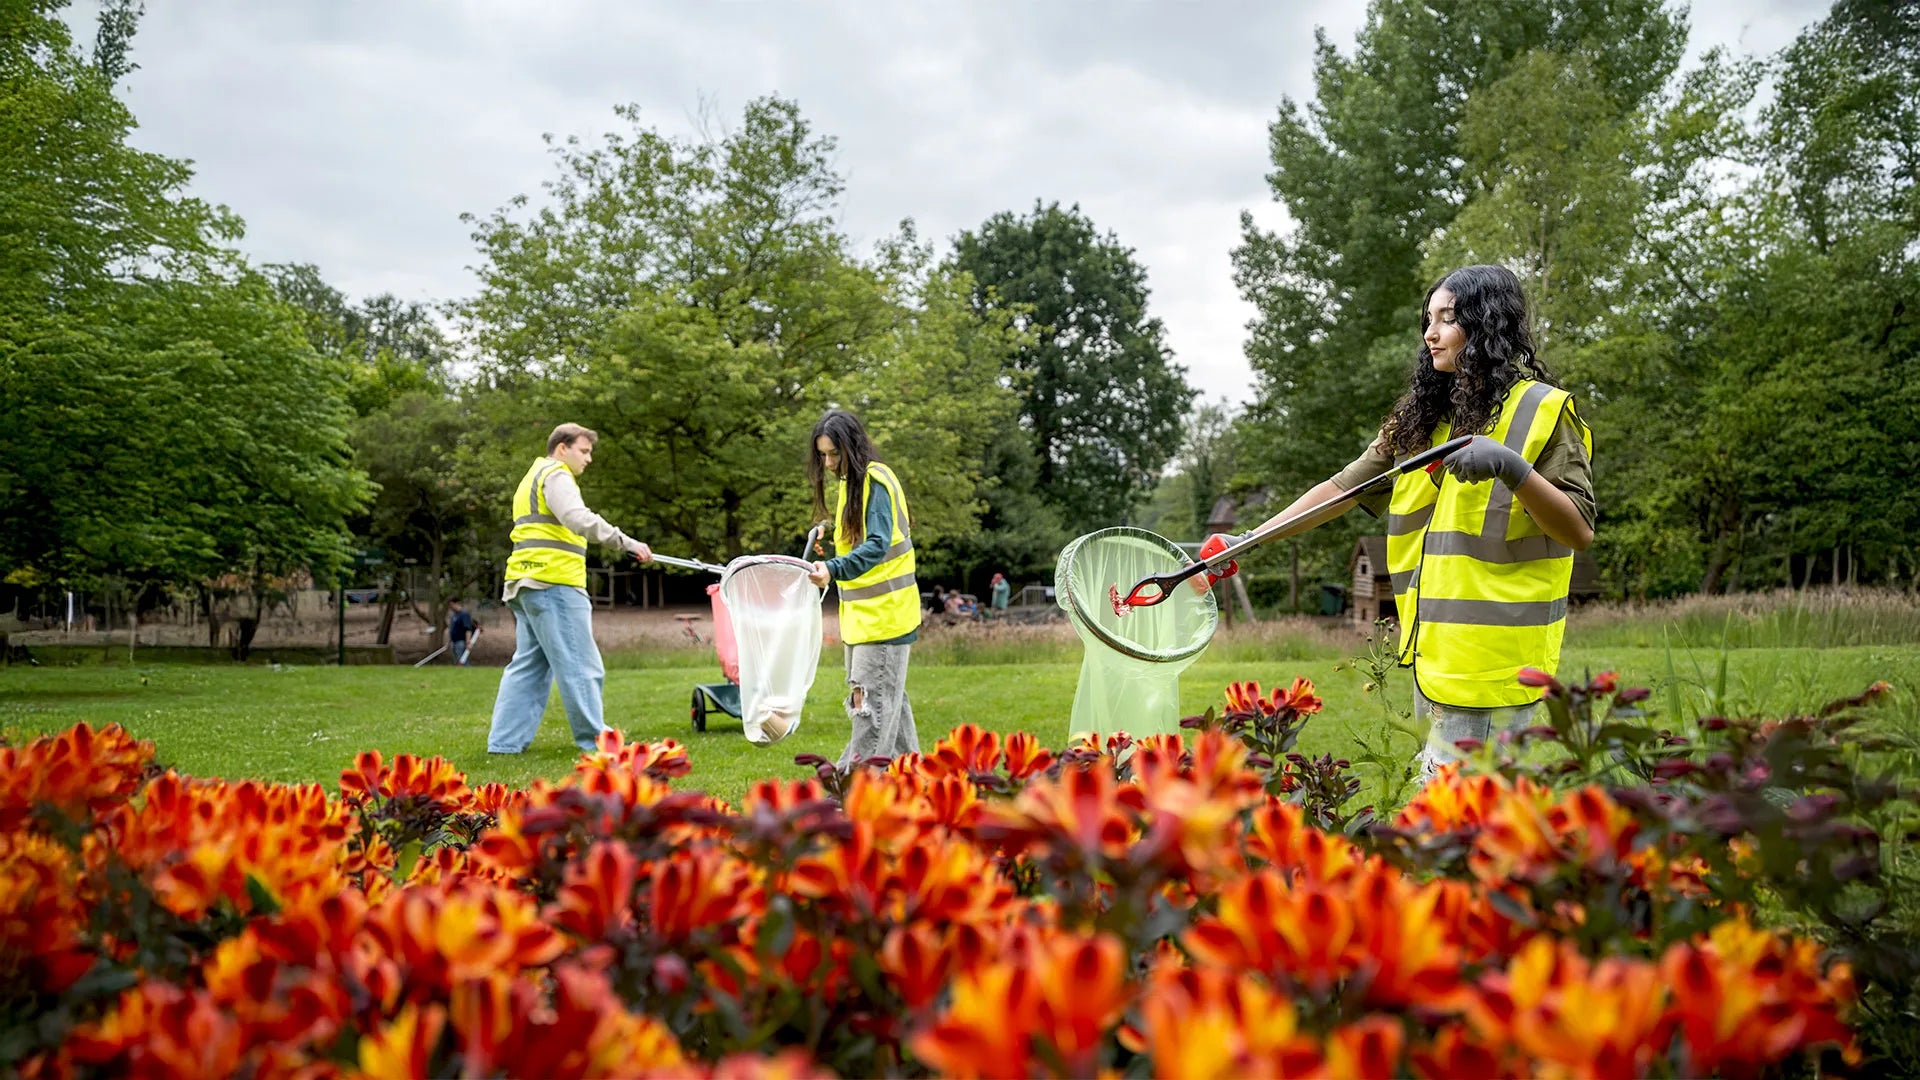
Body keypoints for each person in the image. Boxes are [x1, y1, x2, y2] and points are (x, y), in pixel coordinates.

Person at [1212, 265, 1594, 776]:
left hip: (1494, 663)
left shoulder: (1543, 412)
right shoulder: (1422, 418)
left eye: (1448, 319)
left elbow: (1578, 530)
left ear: (1486, 326)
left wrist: (1511, 466)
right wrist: (1252, 540)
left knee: (1464, 823)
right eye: (1428, 319)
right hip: (1430, 656)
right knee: (1446, 824)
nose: (1429, 333)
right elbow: (1340, 490)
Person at [486, 423, 653, 754]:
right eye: (584, 451)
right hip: (554, 584)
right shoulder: (558, 475)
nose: (588, 459)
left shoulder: (531, 477)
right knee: (580, 663)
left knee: (529, 668)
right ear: (562, 448)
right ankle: (597, 741)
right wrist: (626, 542)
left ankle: (504, 743)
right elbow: (578, 518)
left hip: (526, 583)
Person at [805, 409, 922, 767]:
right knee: (890, 705)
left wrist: (833, 569)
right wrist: (830, 529)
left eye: (833, 454)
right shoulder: (853, 486)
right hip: (865, 621)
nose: (827, 463)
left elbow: (875, 545)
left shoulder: (875, 480)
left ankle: (850, 790)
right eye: (823, 455)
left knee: (871, 710)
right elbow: (861, 534)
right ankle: (919, 780)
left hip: (884, 620)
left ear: (852, 447)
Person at [447, 598, 480, 665]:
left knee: (462, 660)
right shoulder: (454, 615)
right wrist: (449, 641)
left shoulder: (464, 615)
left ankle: (468, 672)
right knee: (456, 661)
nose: (450, 607)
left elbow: (468, 629)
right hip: (454, 642)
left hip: (461, 642)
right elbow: (452, 630)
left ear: (457, 603)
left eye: (451, 605)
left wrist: (468, 642)